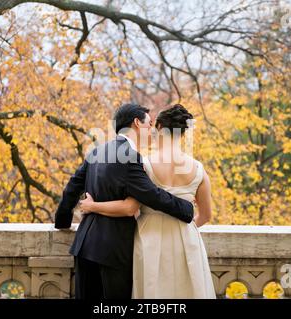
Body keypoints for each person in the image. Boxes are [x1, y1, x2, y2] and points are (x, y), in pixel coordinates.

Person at [54, 103, 195, 299]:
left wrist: (62, 221)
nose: (152, 131)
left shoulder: (97, 151)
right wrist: (186, 208)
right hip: (113, 250)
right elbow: (151, 194)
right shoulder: (130, 156)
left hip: (84, 245)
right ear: (137, 123)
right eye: (149, 124)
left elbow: (72, 188)